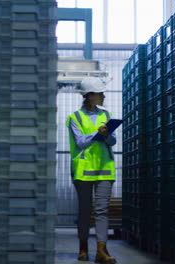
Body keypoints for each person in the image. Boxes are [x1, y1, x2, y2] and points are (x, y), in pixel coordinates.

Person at [66, 77, 118, 264]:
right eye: (100, 93)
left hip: (105, 169)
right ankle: (83, 249)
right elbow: (80, 142)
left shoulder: (106, 115)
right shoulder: (75, 118)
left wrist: (107, 135)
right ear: (89, 96)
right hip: (84, 171)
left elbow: (113, 141)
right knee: (85, 211)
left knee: (102, 210)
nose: (103, 96)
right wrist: (98, 134)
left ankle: (102, 252)